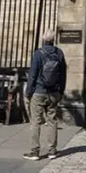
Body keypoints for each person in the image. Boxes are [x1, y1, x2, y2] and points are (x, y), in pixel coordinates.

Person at [23, 29, 67, 161]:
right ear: (54, 40)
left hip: (39, 91)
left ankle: (34, 151)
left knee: (35, 121)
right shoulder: (59, 53)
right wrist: (61, 91)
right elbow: (63, 74)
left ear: (43, 39)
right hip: (54, 92)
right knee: (52, 120)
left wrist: (28, 91)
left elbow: (33, 74)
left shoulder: (38, 53)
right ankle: (52, 150)